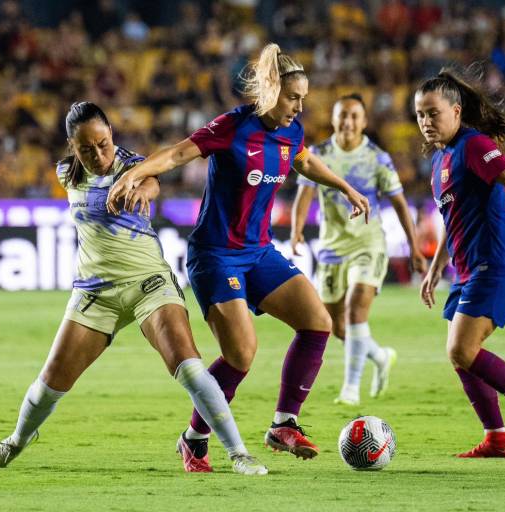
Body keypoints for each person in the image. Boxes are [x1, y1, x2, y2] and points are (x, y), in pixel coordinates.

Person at [106, 44, 370, 471]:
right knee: (241, 355)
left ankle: (284, 423)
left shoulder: (292, 131)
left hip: (259, 252)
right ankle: (195, 439)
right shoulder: (232, 126)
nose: (299, 106)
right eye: (292, 97)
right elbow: (176, 153)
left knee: (317, 321)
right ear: (270, 90)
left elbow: (304, 162)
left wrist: (344, 187)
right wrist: (135, 173)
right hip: (216, 257)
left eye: (303, 98)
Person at [0, 102, 267, 475]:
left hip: (149, 284)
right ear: (72, 146)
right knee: (50, 383)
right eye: (86, 148)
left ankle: (238, 452)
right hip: (95, 293)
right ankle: (17, 440)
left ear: (112, 135)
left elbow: (151, 180)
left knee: (189, 365)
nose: (98, 155)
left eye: (103, 144)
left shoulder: (131, 166)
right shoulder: (67, 173)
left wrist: (144, 189)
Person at [414, 69, 505, 458]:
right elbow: (452, 219)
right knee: (461, 356)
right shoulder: (441, 160)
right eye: (420, 115)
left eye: (433, 113)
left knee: (462, 350)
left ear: (456, 111)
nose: (426, 122)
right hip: (467, 270)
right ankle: (496, 437)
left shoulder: (473, 145)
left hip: (494, 264)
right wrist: (434, 267)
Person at [291, 93, 428, 406]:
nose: (348, 122)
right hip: (330, 248)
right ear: (334, 119)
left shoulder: (377, 158)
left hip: (368, 243)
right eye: (343, 115)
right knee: (337, 326)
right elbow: (305, 195)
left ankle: (350, 389)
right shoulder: (318, 153)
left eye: (354, 116)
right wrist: (298, 231)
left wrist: (414, 247)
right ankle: (379, 356)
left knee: (355, 309)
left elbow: (400, 204)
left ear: (364, 122)